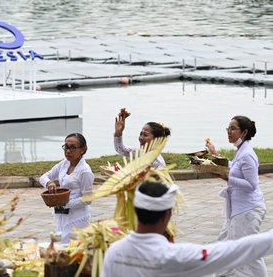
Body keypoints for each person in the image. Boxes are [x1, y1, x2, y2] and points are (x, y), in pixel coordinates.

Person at [102, 181, 273, 277]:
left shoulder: (114, 251)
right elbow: (235, 251)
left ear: (135, 211)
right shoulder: (174, 256)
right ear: (167, 215)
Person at [205, 115, 266, 276]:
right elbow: (233, 166)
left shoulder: (247, 154)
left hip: (248, 210)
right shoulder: (241, 151)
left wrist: (227, 178)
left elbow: (252, 184)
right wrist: (215, 155)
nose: (229, 132)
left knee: (249, 253)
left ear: (244, 132)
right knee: (224, 245)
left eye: (233, 128)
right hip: (237, 210)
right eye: (228, 128)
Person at [39, 133, 94, 244]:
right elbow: (43, 177)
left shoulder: (85, 171)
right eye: (66, 147)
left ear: (82, 150)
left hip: (77, 217)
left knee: (72, 250)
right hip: (61, 216)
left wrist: (64, 203)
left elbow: (88, 199)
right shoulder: (64, 164)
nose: (68, 151)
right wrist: (49, 183)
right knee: (60, 247)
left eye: (73, 148)